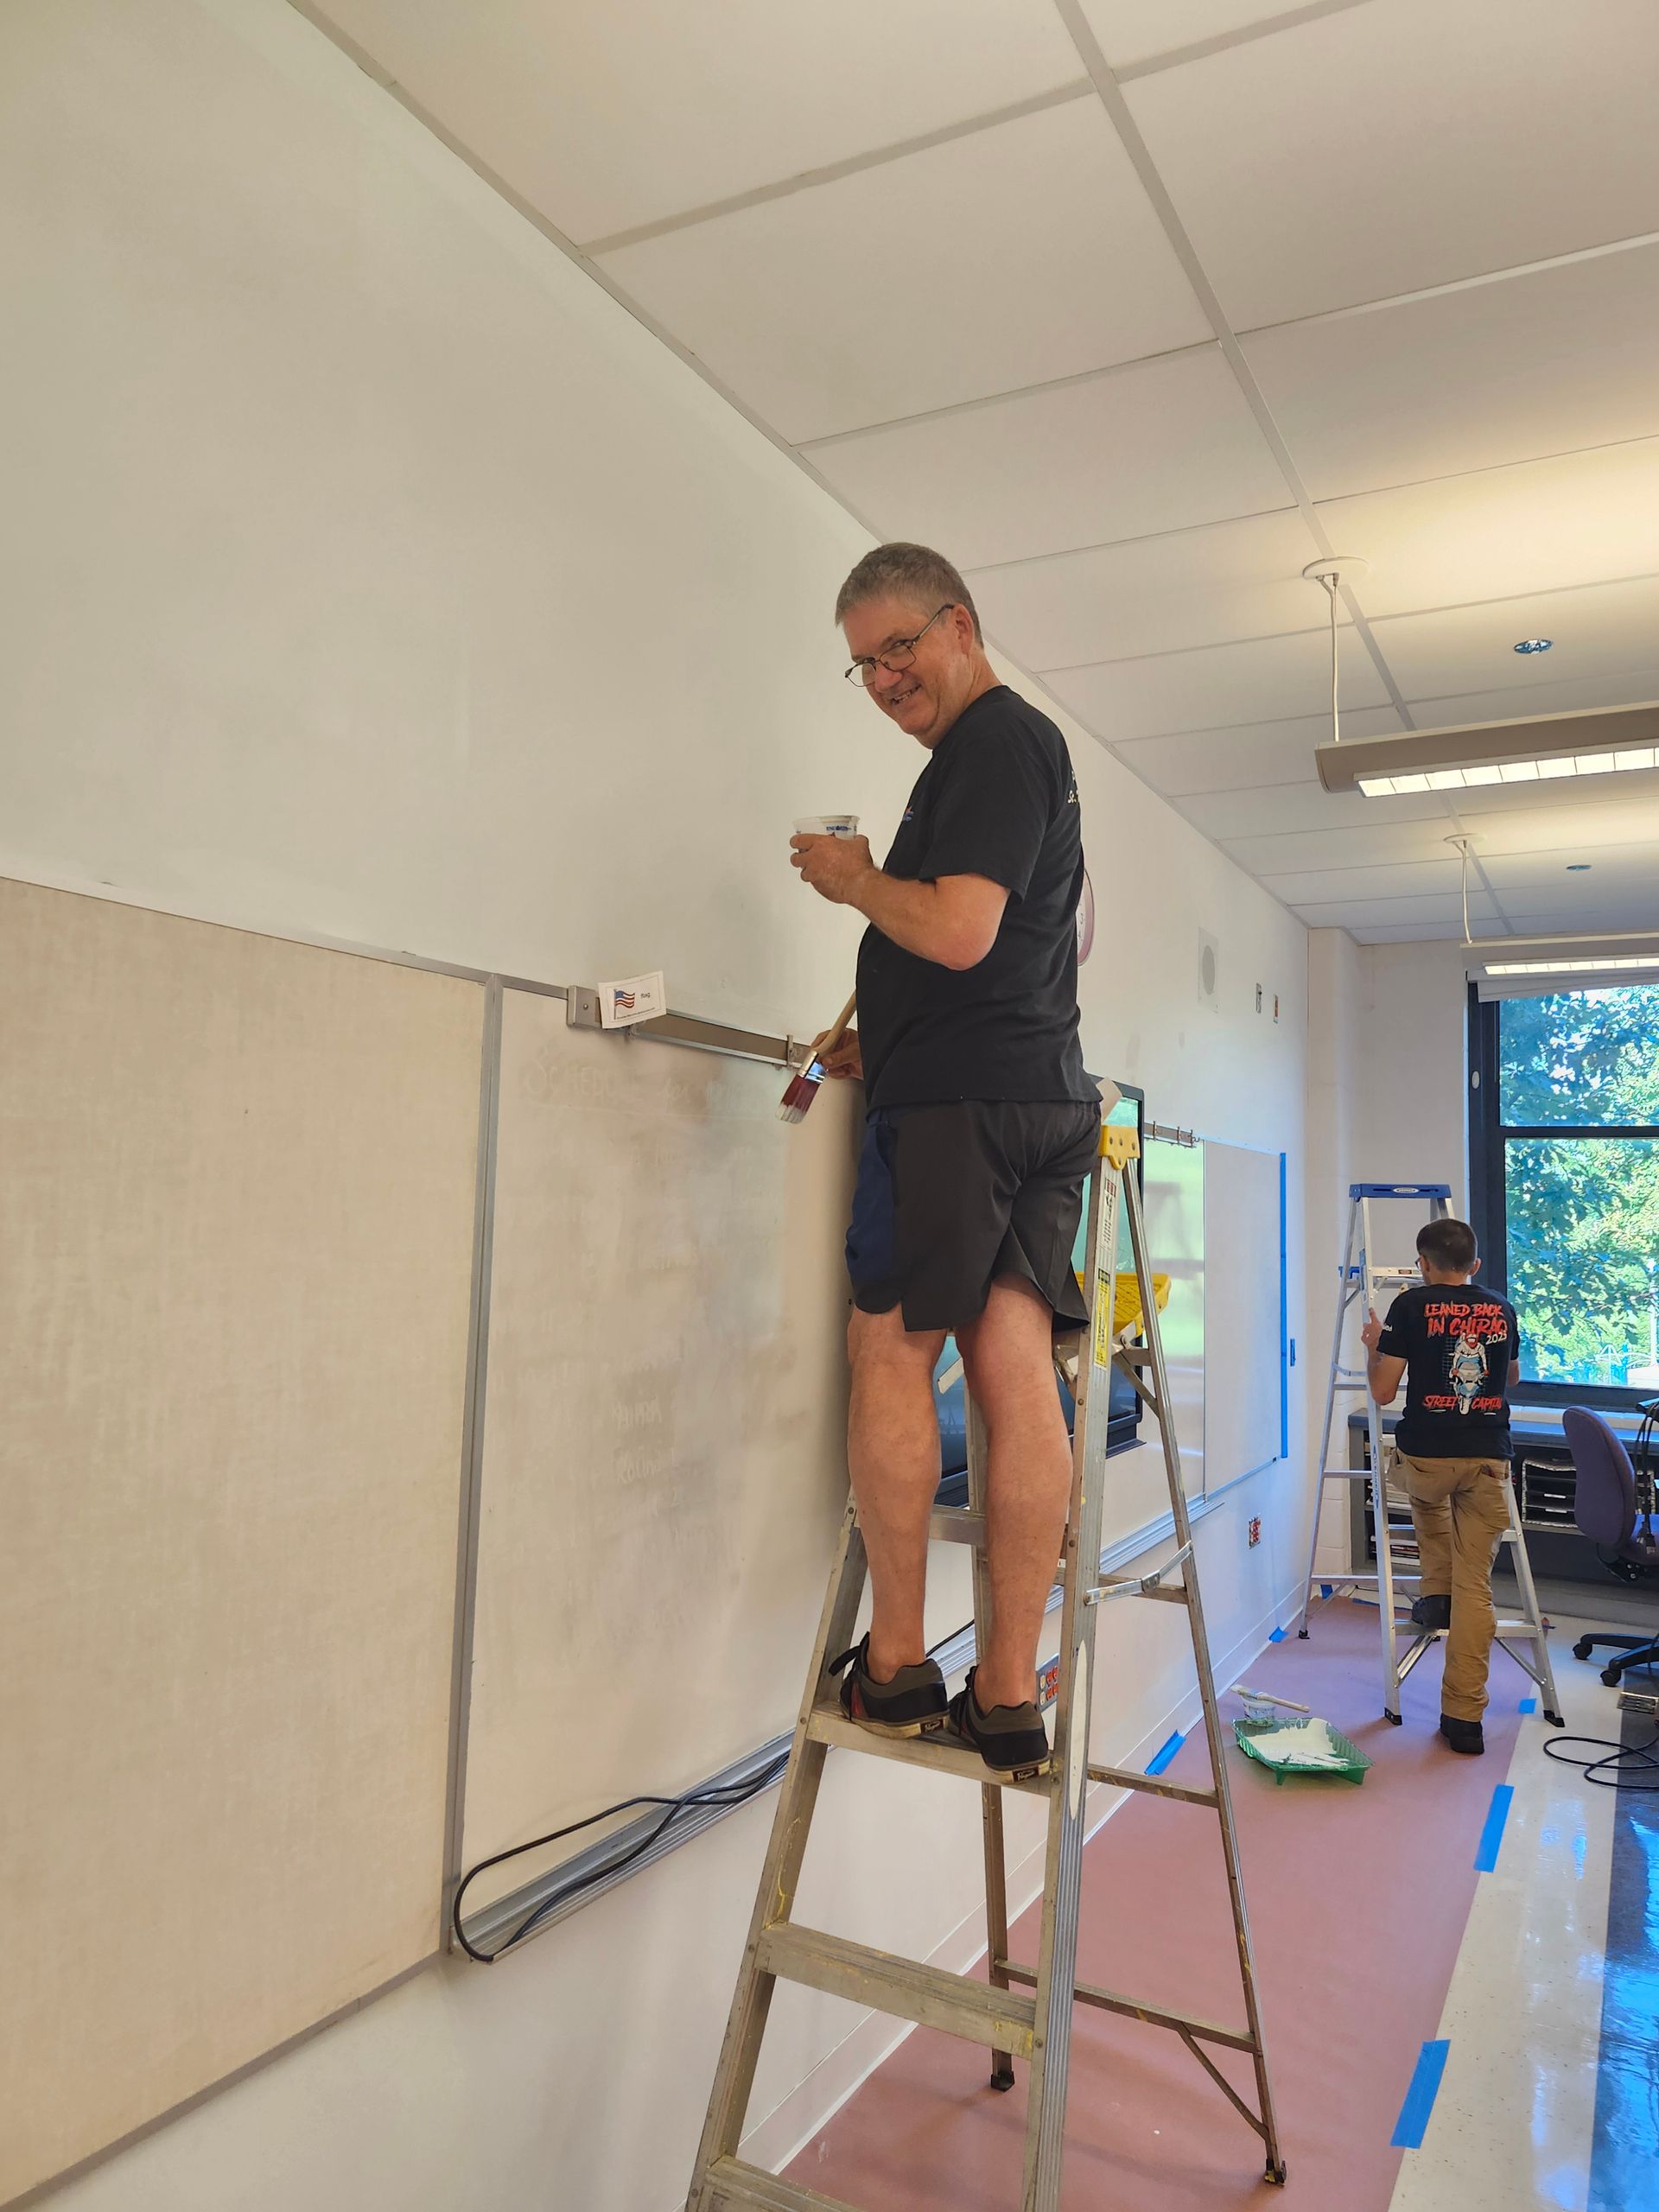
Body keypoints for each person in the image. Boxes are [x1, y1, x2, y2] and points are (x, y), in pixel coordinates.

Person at [790, 542, 1098, 1775]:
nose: (882, 677)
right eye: (862, 664)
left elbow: (962, 931)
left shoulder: (989, 745)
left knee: (892, 1345)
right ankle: (1010, 1692)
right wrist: (887, 1032)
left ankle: (900, 1666)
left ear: (959, 625)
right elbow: (1032, 942)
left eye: (899, 647)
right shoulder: (1024, 759)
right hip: (1034, 1095)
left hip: (960, 1114)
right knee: (1015, 1358)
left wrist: (856, 882)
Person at [1361, 1217, 1522, 1755]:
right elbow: (1512, 1378)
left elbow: (1384, 1394)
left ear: (1422, 1265)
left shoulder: (1410, 1304)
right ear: (1475, 1265)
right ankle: (1464, 1720)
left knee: (1425, 1497)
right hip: (1487, 1456)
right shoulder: (1500, 1306)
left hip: (1428, 1454)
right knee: (1476, 1584)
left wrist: (1373, 1346)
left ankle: (1434, 1595)